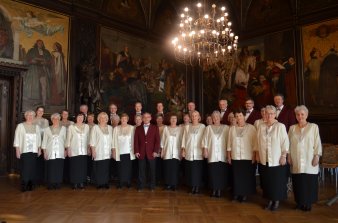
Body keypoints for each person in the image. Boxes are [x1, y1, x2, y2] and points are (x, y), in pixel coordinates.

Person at [288, 105, 322, 211]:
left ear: (306, 115)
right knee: (298, 181)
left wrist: (317, 156)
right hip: (296, 158)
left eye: (302, 114)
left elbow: (317, 143)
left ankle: (308, 203)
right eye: (298, 114)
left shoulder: (313, 127)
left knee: (309, 181)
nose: (300, 116)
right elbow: (287, 144)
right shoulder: (292, 128)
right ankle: (299, 202)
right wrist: (288, 156)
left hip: (309, 158)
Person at [257, 105, 289, 211]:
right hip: (264, 159)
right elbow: (257, 142)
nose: (269, 115)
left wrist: (284, 156)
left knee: (276, 181)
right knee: (267, 181)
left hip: (276, 159)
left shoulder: (280, 126)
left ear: (275, 114)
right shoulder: (261, 126)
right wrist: (257, 154)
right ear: (264, 114)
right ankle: (269, 200)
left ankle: (276, 201)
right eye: (267, 113)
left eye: (271, 113)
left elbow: (285, 142)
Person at [227, 109, 257, 202]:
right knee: (236, 176)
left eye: (240, 115)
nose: (238, 118)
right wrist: (228, 156)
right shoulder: (232, 129)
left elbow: (255, 144)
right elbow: (229, 143)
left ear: (244, 116)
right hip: (235, 156)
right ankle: (236, 194)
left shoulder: (251, 128)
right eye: (236, 116)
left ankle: (244, 195)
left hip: (247, 156)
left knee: (246, 177)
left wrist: (254, 156)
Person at [202, 111, 229, 198]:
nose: (216, 118)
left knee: (221, 173)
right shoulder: (208, 128)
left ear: (220, 118)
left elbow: (229, 141)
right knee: (212, 173)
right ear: (212, 119)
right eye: (214, 117)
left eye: (217, 116)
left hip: (222, 154)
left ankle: (219, 190)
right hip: (212, 153)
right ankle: (213, 190)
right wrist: (205, 150)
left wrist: (229, 153)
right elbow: (205, 140)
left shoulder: (226, 128)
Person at [13, 110, 41, 192]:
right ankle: (24, 184)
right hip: (24, 151)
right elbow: (17, 139)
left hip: (34, 151)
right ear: (25, 116)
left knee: (32, 168)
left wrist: (39, 149)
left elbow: (39, 139)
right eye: (28, 115)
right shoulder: (20, 126)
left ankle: (30, 184)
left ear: (33, 117)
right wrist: (17, 150)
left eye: (32, 115)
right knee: (25, 168)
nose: (30, 117)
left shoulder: (36, 127)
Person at [134, 113, 161, 191]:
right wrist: (136, 151)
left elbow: (157, 141)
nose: (146, 118)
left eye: (147, 117)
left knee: (152, 170)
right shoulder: (138, 128)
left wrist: (156, 151)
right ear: (142, 119)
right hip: (141, 152)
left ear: (150, 118)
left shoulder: (155, 127)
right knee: (141, 170)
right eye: (144, 117)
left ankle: (152, 186)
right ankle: (141, 186)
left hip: (152, 152)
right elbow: (136, 141)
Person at [181, 110, 205, 194]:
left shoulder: (202, 126)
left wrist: (204, 150)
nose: (194, 117)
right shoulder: (187, 127)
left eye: (196, 115)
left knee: (197, 171)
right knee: (190, 170)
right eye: (193, 116)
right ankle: (192, 187)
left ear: (199, 117)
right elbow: (184, 139)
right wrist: (183, 150)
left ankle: (197, 187)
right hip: (189, 151)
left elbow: (204, 139)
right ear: (191, 118)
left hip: (198, 152)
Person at [41, 113, 66, 190]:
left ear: (59, 119)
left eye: (57, 118)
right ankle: (50, 183)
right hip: (50, 151)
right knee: (50, 168)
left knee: (59, 167)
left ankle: (58, 183)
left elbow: (65, 140)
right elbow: (44, 141)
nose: (55, 120)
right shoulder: (47, 129)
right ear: (51, 120)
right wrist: (44, 152)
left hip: (60, 151)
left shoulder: (63, 129)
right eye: (54, 119)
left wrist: (66, 150)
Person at [24, 39, 53, 106]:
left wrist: (45, 62)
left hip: (43, 70)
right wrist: (32, 61)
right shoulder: (32, 50)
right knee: (35, 86)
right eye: (39, 43)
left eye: (41, 43)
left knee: (44, 86)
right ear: (36, 44)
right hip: (34, 71)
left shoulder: (46, 52)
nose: (40, 44)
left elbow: (50, 61)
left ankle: (44, 102)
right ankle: (35, 101)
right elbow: (27, 59)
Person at [65, 113, 89, 190]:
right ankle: (74, 183)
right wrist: (68, 149)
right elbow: (68, 139)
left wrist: (88, 148)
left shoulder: (86, 126)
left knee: (82, 167)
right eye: (79, 117)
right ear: (76, 118)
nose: (80, 119)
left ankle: (81, 182)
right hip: (74, 150)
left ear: (84, 118)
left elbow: (88, 138)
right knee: (74, 167)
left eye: (82, 117)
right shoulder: (71, 127)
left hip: (84, 150)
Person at [90, 112, 113, 189]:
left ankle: (105, 182)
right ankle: (99, 183)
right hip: (98, 151)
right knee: (99, 167)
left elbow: (112, 140)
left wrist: (113, 151)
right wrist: (93, 151)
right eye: (101, 118)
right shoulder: (95, 128)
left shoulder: (110, 128)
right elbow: (92, 141)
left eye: (104, 118)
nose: (103, 119)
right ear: (98, 119)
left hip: (107, 151)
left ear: (107, 119)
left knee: (106, 167)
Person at [112, 113, 135, 189]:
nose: (124, 120)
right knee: (120, 168)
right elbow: (113, 140)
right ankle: (120, 182)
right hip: (119, 152)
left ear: (127, 120)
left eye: (125, 119)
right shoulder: (116, 128)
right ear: (120, 120)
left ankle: (128, 182)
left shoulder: (132, 128)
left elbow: (134, 140)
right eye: (122, 118)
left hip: (129, 152)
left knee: (128, 168)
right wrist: (114, 151)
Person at [161, 114, 182, 191]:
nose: (173, 120)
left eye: (175, 118)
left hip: (176, 152)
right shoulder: (166, 128)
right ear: (170, 120)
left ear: (177, 120)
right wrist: (162, 151)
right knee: (167, 168)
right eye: (172, 118)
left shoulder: (180, 129)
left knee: (175, 169)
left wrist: (182, 151)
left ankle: (174, 184)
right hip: (167, 151)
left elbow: (181, 141)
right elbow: (162, 141)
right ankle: (168, 184)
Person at [33, 106, 49, 185]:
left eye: (42, 111)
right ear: (36, 111)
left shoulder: (46, 121)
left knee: (42, 162)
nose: (40, 112)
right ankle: (35, 179)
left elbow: (47, 133)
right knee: (34, 162)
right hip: (33, 144)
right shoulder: (32, 119)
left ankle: (42, 180)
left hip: (43, 144)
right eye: (39, 110)